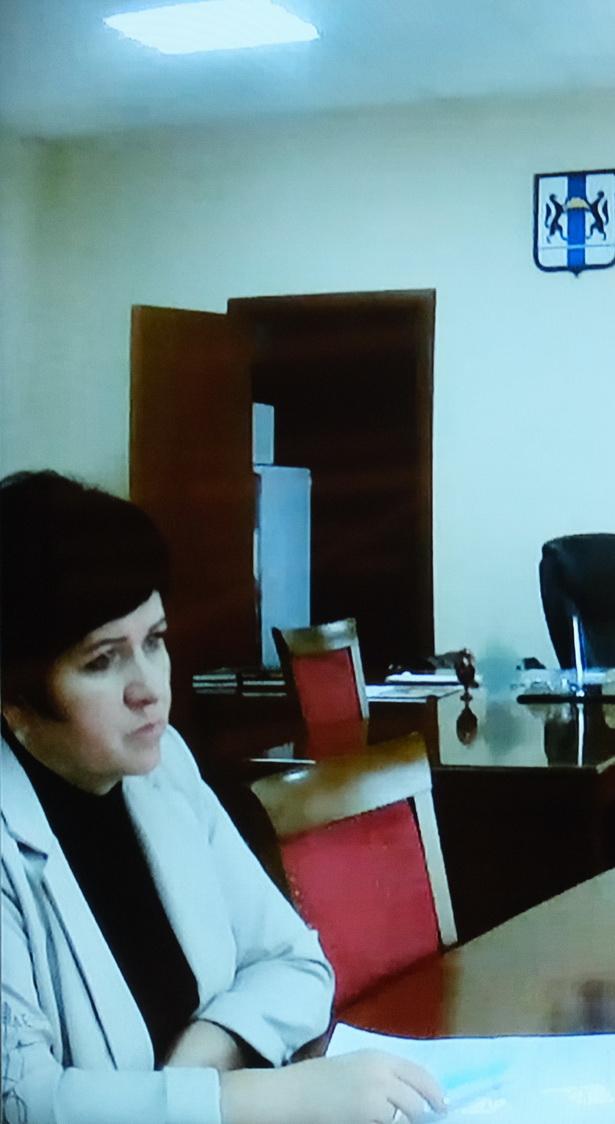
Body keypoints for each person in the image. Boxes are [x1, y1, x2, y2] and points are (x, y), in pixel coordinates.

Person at [0, 471, 445, 1124]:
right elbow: (25, 1101)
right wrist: (268, 1099)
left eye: (154, 642)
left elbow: (295, 963)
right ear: (15, 702)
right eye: (102, 661)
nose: (149, 688)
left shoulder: (162, 767)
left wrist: (199, 1065)